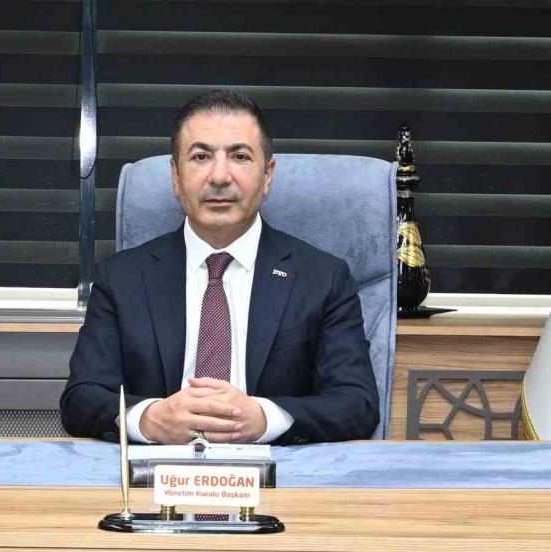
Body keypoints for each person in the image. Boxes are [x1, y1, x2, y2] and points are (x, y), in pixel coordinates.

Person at [60, 90, 379, 446]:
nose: (220, 176)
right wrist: (150, 419)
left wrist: (264, 418)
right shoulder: (122, 278)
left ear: (267, 175)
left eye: (240, 156)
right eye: (201, 156)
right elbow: (81, 399)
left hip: (277, 473)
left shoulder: (323, 278)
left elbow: (357, 404)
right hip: (159, 472)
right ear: (176, 176)